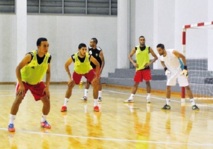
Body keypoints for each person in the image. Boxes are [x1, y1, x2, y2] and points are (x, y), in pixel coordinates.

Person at [8, 37, 52, 132]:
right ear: (38, 46)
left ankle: (43, 121)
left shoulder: (48, 57)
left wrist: (47, 86)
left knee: (47, 100)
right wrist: (21, 84)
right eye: (44, 46)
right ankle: (11, 122)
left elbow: (48, 72)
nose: (46, 48)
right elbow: (18, 68)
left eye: (47, 46)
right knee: (18, 98)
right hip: (24, 81)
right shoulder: (30, 56)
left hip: (37, 82)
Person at [156, 43, 199, 110]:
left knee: (187, 86)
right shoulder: (160, 56)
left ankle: (194, 104)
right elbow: (162, 62)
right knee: (168, 87)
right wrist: (165, 69)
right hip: (171, 73)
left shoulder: (173, 52)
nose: (158, 52)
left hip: (179, 70)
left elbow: (183, 57)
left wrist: (185, 68)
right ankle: (167, 104)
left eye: (160, 50)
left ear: (163, 49)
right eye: (158, 50)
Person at [61, 43, 100, 112]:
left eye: (85, 49)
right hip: (78, 72)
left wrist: (96, 77)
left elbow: (97, 64)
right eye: (83, 49)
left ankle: (96, 105)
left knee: (96, 84)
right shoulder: (74, 57)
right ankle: (64, 105)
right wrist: (70, 77)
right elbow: (66, 65)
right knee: (70, 85)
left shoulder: (89, 56)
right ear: (79, 50)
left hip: (88, 71)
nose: (84, 51)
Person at [124, 36, 158, 103]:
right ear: (139, 41)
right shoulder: (136, 48)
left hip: (146, 68)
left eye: (143, 40)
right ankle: (131, 98)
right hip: (138, 68)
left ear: (145, 40)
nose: (142, 41)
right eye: (141, 40)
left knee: (147, 82)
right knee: (136, 83)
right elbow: (129, 56)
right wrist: (133, 63)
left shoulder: (148, 48)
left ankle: (148, 97)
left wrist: (150, 63)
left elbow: (156, 57)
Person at [82, 38, 105, 102]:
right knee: (88, 81)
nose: (90, 43)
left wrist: (101, 70)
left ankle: (100, 96)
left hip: (97, 68)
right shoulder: (89, 49)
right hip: (90, 68)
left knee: (98, 82)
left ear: (95, 43)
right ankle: (85, 96)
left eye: (91, 42)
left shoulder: (99, 51)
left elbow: (103, 61)